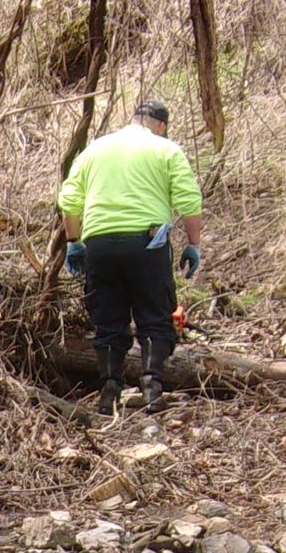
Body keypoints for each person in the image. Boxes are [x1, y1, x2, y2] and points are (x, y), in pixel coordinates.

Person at [54, 97, 204, 413]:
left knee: (108, 320)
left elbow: (69, 200)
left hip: (100, 243)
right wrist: (194, 244)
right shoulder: (166, 149)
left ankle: (109, 392)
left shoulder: (94, 150)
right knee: (155, 317)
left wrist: (73, 241)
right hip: (147, 243)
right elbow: (189, 200)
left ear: (134, 118)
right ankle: (151, 390)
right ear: (160, 125)